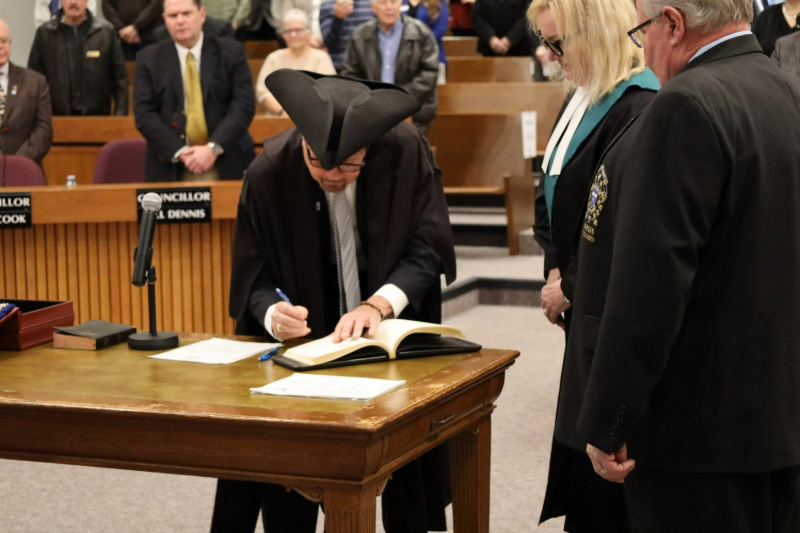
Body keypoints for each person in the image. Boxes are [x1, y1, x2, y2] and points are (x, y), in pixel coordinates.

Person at [564, 1, 800, 532]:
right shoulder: (786, 89)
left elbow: (650, 288)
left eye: (643, 30)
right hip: (777, 418)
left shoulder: (684, 104)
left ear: (672, 23)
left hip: (699, 435)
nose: (642, 48)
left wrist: (610, 419)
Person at [211, 69, 456, 533]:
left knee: (409, 476)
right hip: (307, 349)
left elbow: (429, 248)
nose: (330, 175)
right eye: (318, 163)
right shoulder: (270, 171)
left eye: (348, 166)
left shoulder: (406, 152)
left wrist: (378, 305)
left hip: (388, 334)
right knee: (289, 474)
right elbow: (253, 271)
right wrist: (271, 312)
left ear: (371, 149)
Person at [528, 0, 659, 531]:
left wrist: (574, 284)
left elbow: (628, 229)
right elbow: (550, 193)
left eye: (559, 43)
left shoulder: (640, 102)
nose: (551, 56)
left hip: (609, 308)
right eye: (546, 43)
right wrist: (555, 271)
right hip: (578, 306)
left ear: (598, 34)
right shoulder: (580, 98)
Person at [134, 0, 256, 181]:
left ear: (202, 15)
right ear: (164, 19)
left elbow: (243, 105)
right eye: (173, 16)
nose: (180, 21)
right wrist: (181, 152)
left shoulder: (231, 52)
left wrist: (213, 148)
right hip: (170, 164)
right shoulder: (148, 59)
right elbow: (144, 114)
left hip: (227, 159)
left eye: (186, 13)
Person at [340, 0, 439, 132]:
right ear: (373, 8)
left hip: (412, 111)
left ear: (400, 4)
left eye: (393, 1)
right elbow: (349, 74)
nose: (389, 7)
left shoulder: (421, 32)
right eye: (382, 2)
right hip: (370, 113)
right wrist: (373, 101)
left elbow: (430, 72)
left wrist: (399, 100)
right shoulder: (360, 34)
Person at [28, 0, 128, 116]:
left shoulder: (105, 32)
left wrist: (119, 119)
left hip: (97, 119)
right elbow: (34, 80)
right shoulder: (45, 33)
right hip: (56, 119)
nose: (73, 2)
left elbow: (120, 80)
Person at [255, 9, 336, 113]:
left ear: (309, 32)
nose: (293, 35)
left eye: (298, 30)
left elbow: (328, 92)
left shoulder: (321, 58)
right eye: (288, 31)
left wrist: (302, 116)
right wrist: (283, 112)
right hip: (278, 118)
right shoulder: (273, 58)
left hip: (314, 117)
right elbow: (263, 92)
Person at [0, 19, 53, 166]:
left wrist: (15, 164)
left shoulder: (35, 82)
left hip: (24, 172)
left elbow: (43, 132)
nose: (0, 46)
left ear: (10, 43)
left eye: (3, 41)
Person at [319, 0, 375, 70]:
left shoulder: (372, 3)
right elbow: (328, 42)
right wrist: (338, 18)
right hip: (338, 66)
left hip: (367, 67)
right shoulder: (327, 5)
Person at [403, 0, 449, 81]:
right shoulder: (398, 2)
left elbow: (440, 31)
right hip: (403, 59)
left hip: (431, 57)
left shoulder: (440, 3)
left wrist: (416, 40)